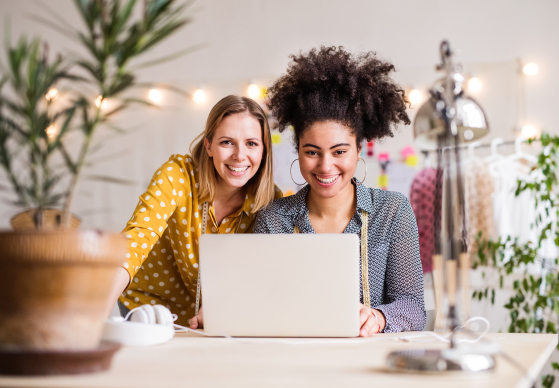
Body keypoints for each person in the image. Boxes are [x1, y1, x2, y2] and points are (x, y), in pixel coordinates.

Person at [254, 47, 425, 337]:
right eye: (312, 152)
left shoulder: (392, 211)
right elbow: (258, 302)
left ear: (359, 150)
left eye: (339, 151)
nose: (325, 165)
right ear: (298, 150)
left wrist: (379, 317)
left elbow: (413, 307)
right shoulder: (273, 221)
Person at [106, 95, 282, 328]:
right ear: (208, 146)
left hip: (216, 317)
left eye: (251, 143)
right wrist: (97, 308)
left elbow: (262, 275)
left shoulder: (272, 202)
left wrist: (225, 304)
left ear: (264, 150)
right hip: (148, 311)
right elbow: (138, 236)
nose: (240, 155)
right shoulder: (177, 175)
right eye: (227, 142)